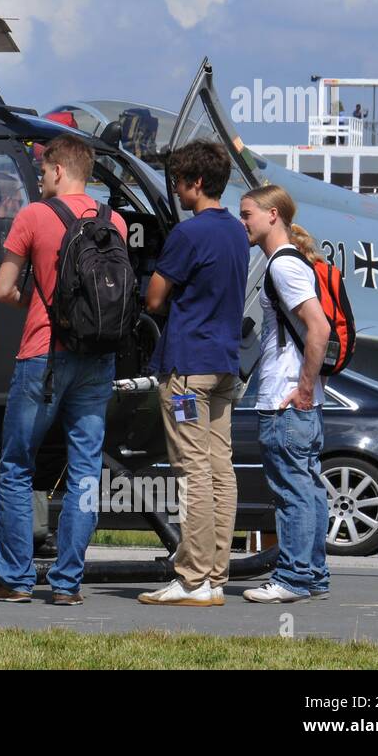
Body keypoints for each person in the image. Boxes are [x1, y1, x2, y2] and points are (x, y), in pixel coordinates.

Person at [0, 134, 127, 604]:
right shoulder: (116, 222)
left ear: (60, 171)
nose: (40, 178)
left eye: (43, 171)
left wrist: (38, 302)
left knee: (16, 467)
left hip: (44, 355)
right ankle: (67, 584)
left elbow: (3, 289)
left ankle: (16, 579)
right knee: (86, 471)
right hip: (98, 358)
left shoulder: (33, 217)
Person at [137, 143, 248, 607]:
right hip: (223, 364)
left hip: (187, 368)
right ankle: (215, 572)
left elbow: (155, 299)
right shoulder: (238, 233)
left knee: (191, 470)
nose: (178, 190)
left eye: (180, 181)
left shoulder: (188, 235)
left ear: (196, 183)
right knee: (220, 467)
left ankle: (192, 577)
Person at [238, 185, 332, 603]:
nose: (243, 222)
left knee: (292, 491)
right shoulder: (290, 262)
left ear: (272, 214)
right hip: (298, 404)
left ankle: (293, 577)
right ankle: (312, 574)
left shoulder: (282, 266)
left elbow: (319, 328)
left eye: (247, 215)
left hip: (286, 402)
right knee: (309, 487)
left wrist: (303, 388)